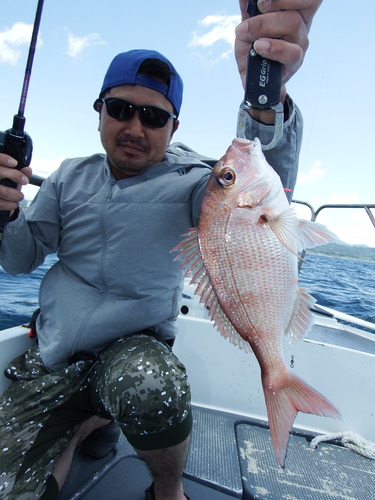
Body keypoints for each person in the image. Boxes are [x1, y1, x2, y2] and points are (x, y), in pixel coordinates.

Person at [0, 1, 322, 499]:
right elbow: (19, 258)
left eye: (153, 116)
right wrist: (8, 214)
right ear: (99, 112)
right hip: (55, 352)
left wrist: (265, 99)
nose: (135, 128)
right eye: (120, 109)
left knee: (154, 387)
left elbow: (253, 188)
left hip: (135, 350)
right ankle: (91, 419)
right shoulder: (67, 176)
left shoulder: (197, 182)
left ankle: (166, 490)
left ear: (174, 127)